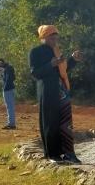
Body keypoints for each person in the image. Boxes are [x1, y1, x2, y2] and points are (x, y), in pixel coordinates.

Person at [29, 25, 83, 164]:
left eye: (55, 36)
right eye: (51, 36)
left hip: (62, 92)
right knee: (50, 123)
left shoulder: (57, 51)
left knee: (66, 123)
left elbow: (63, 70)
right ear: (43, 37)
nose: (54, 38)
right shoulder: (35, 52)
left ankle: (69, 153)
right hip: (48, 93)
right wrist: (50, 65)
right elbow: (35, 73)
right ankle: (52, 154)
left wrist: (72, 60)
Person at [0, 59, 16, 129]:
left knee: (9, 107)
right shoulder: (9, 67)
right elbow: (14, 78)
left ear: (1, 63)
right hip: (11, 88)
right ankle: (11, 123)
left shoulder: (7, 69)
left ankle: (11, 124)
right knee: (10, 107)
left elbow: (7, 80)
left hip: (7, 89)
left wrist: (5, 87)